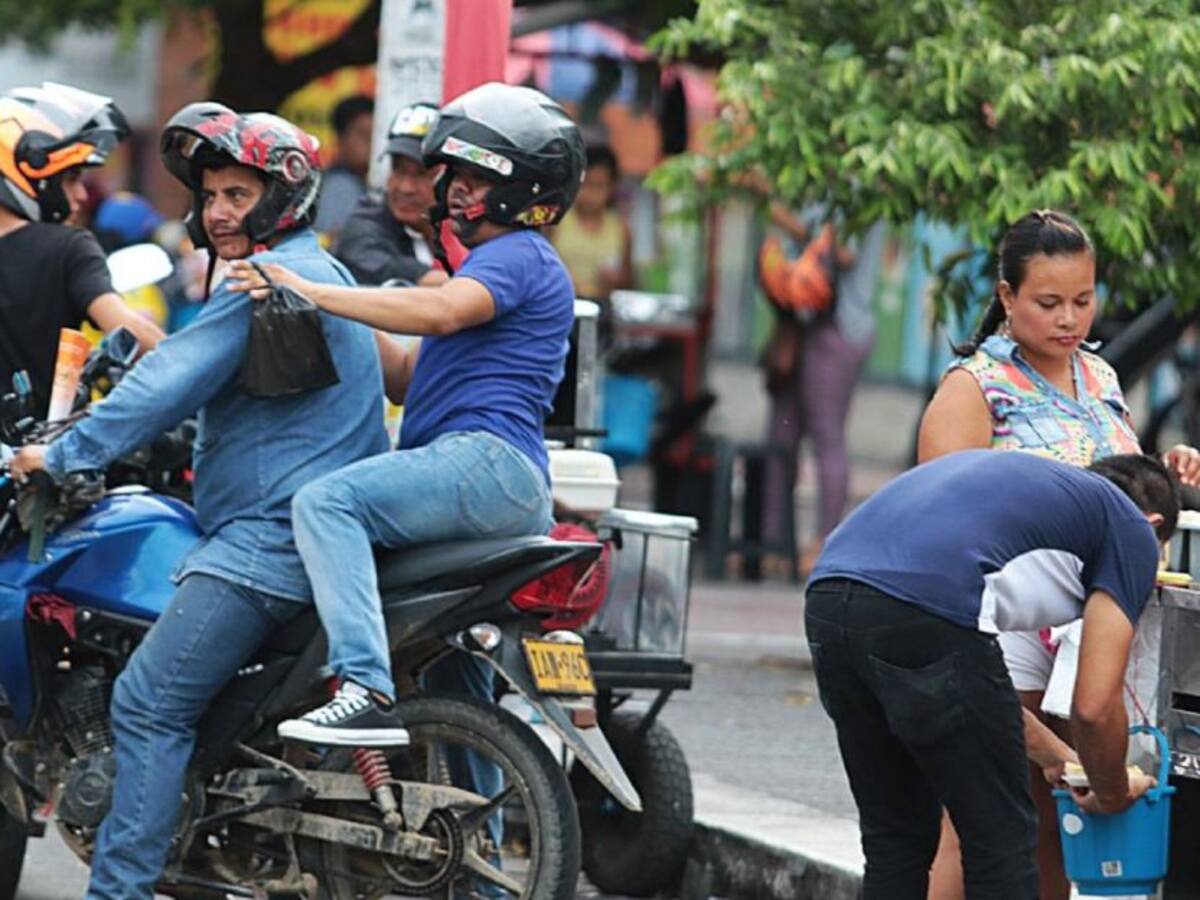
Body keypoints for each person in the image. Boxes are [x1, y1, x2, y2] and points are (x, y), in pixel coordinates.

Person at [9, 101, 388, 900]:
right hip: (301, 529)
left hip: (265, 542)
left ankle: (120, 891)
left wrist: (60, 453)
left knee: (147, 703)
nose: (217, 212)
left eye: (237, 196)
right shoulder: (323, 273)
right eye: (211, 195)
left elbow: (166, 383)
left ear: (281, 199)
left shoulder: (259, 283)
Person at [226, 80, 584, 745]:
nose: (455, 190)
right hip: (481, 479)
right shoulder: (484, 272)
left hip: (483, 465)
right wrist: (323, 289)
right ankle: (495, 835)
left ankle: (362, 683)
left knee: (326, 505)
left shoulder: (517, 258)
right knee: (456, 686)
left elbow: (441, 311)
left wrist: (308, 288)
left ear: (522, 187)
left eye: (475, 176)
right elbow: (404, 377)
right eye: (457, 174)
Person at [917, 209, 1200, 900]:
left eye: (1083, 299)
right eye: (1048, 303)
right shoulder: (974, 387)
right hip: (1006, 618)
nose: (1069, 318)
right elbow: (937, 522)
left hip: (1087, 615)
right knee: (979, 813)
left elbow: (1117, 483)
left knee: (1058, 809)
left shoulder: (1098, 376)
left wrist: (1165, 471)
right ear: (1007, 297)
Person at [806, 449, 1179, 900]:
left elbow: (972, 692)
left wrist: (1060, 759)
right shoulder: (1131, 530)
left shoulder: (1039, 499)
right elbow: (1095, 707)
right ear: (1155, 525)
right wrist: (1113, 790)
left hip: (828, 597)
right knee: (999, 840)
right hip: (922, 606)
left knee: (896, 838)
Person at [0, 82, 163, 417]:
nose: (83, 195)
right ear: (29, 173)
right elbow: (129, 333)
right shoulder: (68, 247)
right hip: (38, 456)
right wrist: (201, 366)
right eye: (71, 177)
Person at [760, 207, 886, 577]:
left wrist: (785, 220)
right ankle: (773, 544)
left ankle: (825, 543)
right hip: (797, 324)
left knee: (826, 436)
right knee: (779, 437)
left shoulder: (861, 190)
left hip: (839, 326)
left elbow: (844, 254)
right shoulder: (806, 179)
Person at [332, 101, 448, 288]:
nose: (405, 187)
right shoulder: (364, 226)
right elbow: (403, 274)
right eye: (398, 170)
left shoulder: (466, 225)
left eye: (421, 174)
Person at [552, 143, 632, 302]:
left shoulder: (620, 228)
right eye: (586, 185)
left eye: (599, 186)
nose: (591, 195)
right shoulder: (557, 221)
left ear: (612, 187)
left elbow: (629, 278)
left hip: (602, 309)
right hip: (563, 304)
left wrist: (616, 279)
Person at [313, 93, 374, 236]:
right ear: (341, 138)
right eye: (363, 134)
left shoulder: (359, 181)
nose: (370, 143)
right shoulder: (341, 185)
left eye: (374, 136)